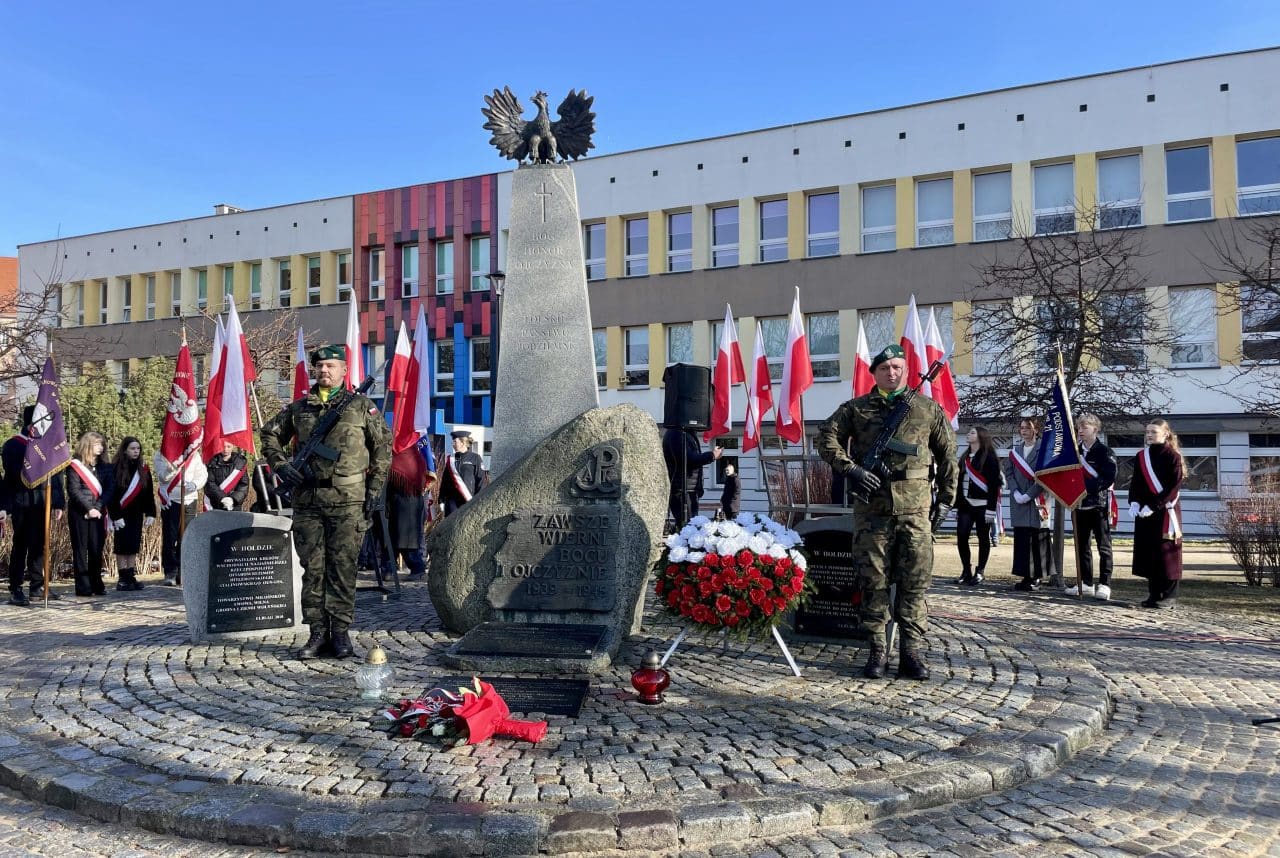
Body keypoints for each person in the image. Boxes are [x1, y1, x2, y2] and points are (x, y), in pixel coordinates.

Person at [817, 344, 958, 681]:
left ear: (905, 370)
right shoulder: (856, 409)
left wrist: (946, 500)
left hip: (915, 511)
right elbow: (826, 439)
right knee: (873, 583)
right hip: (873, 512)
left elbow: (948, 456)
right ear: (874, 373)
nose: (891, 373)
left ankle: (911, 651)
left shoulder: (927, 409)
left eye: (896, 367)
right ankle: (877, 650)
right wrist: (851, 469)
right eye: (884, 368)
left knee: (914, 584)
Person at [261, 344, 391, 660]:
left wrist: (373, 491)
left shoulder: (360, 406)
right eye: (319, 366)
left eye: (331, 366)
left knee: (343, 568)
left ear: (344, 370)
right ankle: (317, 633)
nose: (324, 371)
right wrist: (280, 465)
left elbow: (383, 448)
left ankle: (341, 632)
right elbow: (269, 435)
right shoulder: (299, 409)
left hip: (348, 502)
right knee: (313, 570)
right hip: (308, 501)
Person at [2, 405, 66, 606]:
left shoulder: (48, 445)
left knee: (39, 545)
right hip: (22, 501)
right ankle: (16, 588)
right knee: (21, 545)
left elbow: (56, 475)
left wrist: (58, 502)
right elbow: (11, 476)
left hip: (42, 501)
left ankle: (37, 586)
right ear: (33, 423)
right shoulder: (13, 445)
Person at [1128, 419, 1184, 608]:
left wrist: (1154, 505)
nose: (1149, 435)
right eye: (1147, 432)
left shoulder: (1173, 456)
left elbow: (1173, 486)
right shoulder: (1141, 456)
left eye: (1153, 432)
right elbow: (1136, 482)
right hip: (1145, 511)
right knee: (1149, 551)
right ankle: (1154, 593)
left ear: (1165, 433)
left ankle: (1169, 595)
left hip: (1165, 510)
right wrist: (1134, 501)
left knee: (1167, 553)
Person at [1068, 413, 1116, 601]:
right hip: (1078, 505)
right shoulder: (1074, 452)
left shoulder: (1104, 452)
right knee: (1082, 546)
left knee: (1103, 546)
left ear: (1095, 429)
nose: (1080, 431)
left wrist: (1085, 488)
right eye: (1079, 427)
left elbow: (1108, 478)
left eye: (1084, 427)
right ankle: (1086, 583)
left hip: (1098, 505)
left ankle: (1105, 584)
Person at [1004, 417, 1052, 591]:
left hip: (1037, 500)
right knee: (1023, 539)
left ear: (1036, 430)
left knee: (1037, 538)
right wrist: (1016, 492)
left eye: (1027, 428)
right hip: (1019, 500)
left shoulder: (1044, 450)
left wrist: (1029, 494)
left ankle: (1037, 576)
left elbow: (1045, 475)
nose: (1023, 431)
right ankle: (1025, 575)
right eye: (1022, 427)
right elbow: (1009, 473)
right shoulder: (1015, 451)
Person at [66, 432, 114, 597]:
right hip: (79, 513)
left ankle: (96, 584)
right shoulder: (74, 465)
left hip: (98, 512)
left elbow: (110, 489)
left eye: (102, 444)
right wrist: (88, 508)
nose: (101, 448)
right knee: (80, 549)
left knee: (96, 549)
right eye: (97, 444)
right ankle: (83, 587)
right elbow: (73, 490)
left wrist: (97, 507)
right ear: (87, 445)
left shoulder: (106, 467)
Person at [153, 443, 207, 588]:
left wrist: (195, 484)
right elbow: (163, 477)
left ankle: (184, 571)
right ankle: (170, 571)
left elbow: (202, 474)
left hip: (189, 499)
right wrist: (174, 466)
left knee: (186, 537)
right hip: (171, 500)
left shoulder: (193, 454)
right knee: (170, 538)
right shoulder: (161, 454)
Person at [954, 426, 1003, 586]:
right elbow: (959, 483)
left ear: (981, 436)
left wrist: (991, 509)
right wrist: (957, 505)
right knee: (962, 536)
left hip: (983, 506)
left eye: (972, 432)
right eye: (969, 432)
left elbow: (994, 485)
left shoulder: (989, 458)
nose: (968, 434)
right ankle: (966, 570)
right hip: (966, 505)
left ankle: (980, 571)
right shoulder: (964, 457)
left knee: (983, 538)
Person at [107, 437, 156, 591]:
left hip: (136, 513)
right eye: (132, 448)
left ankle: (130, 575)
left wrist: (151, 513)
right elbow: (111, 494)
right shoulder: (115, 468)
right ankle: (122, 578)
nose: (136, 451)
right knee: (122, 546)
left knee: (134, 545)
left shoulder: (143, 468)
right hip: (121, 512)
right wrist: (115, 516)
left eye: (138, 448)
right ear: (125, 450)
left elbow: (148, 493)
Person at [662, 427, 721, 528]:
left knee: (690, 525)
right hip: (682, 490)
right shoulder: (677, 433)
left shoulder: (685, 433)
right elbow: (689, 459)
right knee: (688, 527)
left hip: (689, 489)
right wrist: (712, 456)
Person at [437, 430, 485, 516]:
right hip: (452, 501)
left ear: (462, 442)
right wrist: (441, 500)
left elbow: (480, 480)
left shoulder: (475, 458)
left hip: (468, 499)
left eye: (455, 442)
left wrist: (479, 500)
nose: (453, 444)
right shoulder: (451, 459)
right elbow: (445, 481)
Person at [205, 441, 250, 512]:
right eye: (223, 446)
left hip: (234, 505)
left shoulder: (240, 463)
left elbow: (243, 485)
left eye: (228, 447)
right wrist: (222, 498)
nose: (225, 449)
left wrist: (233, 499)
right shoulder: (212, 462)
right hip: (216, 504)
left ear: (233, 446)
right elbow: (209, 483)